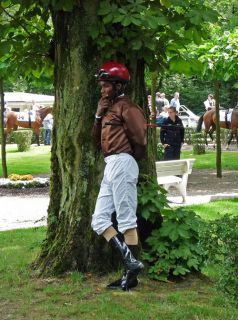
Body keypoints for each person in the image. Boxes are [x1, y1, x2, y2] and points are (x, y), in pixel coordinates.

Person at [91, 61, 146, 291]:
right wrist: (97, 114)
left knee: (126, 220)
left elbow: (141, 141)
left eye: (106, 85)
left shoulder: (128, 107)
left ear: (118, 85)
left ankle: (130, 277)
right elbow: (95, 142)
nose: (102, 89)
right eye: (102, 86)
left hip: (123, 162)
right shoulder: (107, 110)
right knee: (99, 220)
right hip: (110, 164)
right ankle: (131, 263)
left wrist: (128, 160)